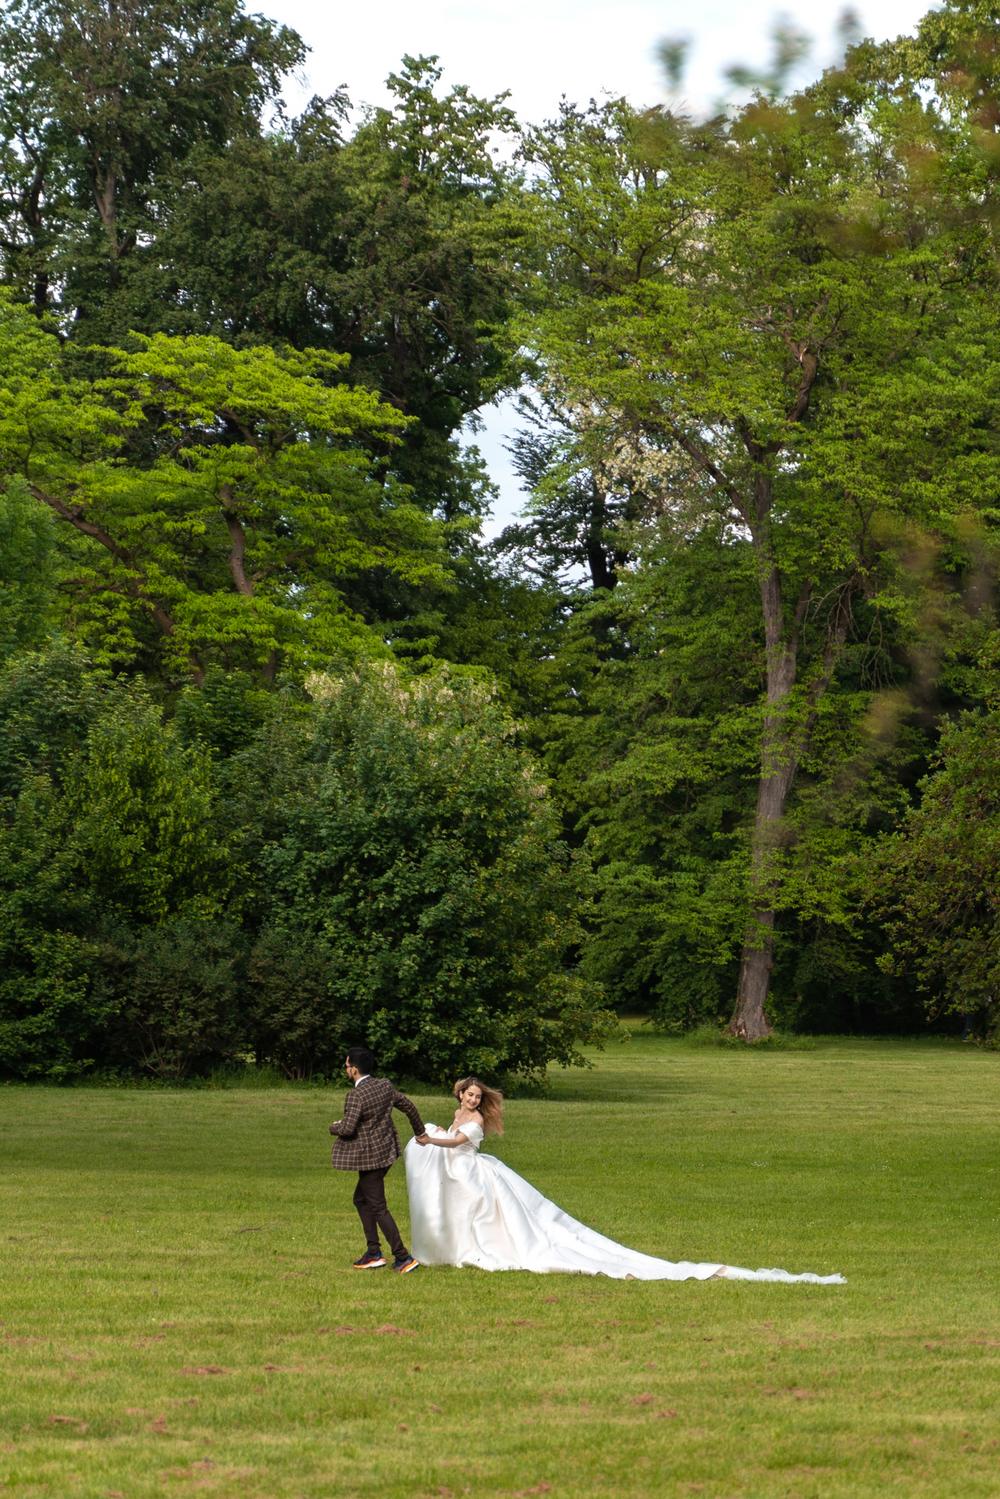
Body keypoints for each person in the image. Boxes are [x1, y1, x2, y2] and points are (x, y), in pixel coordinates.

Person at [404, 1076, 845, 1284]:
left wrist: (429, 1139)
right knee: (456, 1212)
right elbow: (453, 1131)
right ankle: (452, 1248)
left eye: (478, 1097)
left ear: (482, 1103)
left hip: (472, 1173)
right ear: (459, 1093)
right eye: (469, 1094)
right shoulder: (460, 1110)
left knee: (488, 1218)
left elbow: (460, 1140)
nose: (473, 1100)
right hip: (456, 1170)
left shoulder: (475, 1122)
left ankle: (475, 1250)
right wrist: (435, 1135)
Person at [329, 1046, 428, 1274]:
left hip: (369, 1159)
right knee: (361, 1200)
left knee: (377, 1206)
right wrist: (419, 1132)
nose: (345, 1069)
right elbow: (409, 1107)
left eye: (346, 1066)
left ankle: (403, 1257)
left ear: (353, 1069)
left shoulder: (356, 1095)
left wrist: (333, 1127)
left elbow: (347, 1128)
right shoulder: (384, 1085)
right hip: (386, 1154)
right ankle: (373, 1253)